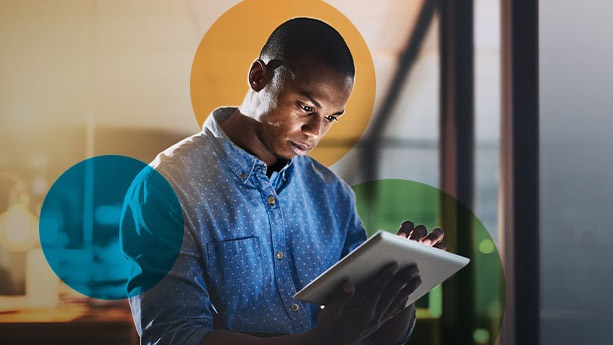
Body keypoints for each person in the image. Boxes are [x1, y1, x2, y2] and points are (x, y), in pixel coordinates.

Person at [120, 17, 445, 345]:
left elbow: (376, 337)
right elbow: (174, 337)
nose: (315, 132)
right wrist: (322, 341)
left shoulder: (333, 196)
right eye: (306, 107)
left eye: (330, 118)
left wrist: (400, 288)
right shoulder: (165, 188)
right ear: (258, 76)